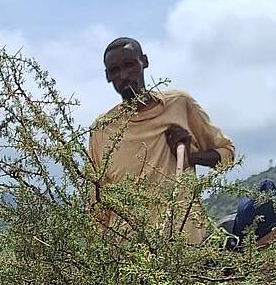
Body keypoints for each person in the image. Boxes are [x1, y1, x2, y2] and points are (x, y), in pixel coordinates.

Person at [89, 37, 235, 244]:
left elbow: (227, 154)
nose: (124, 76)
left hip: (183, 247)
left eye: (130, 65)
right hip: (128, 255)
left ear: (144, 62)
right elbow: (97, 202)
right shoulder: (102, 129)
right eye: (115, 70)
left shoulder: (178, 104)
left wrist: (190, 157)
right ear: (107, 76)